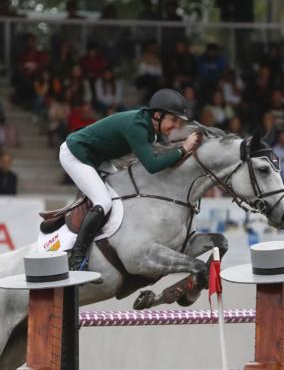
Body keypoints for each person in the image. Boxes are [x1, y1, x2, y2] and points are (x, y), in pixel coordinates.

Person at [60, 88, 201, 270]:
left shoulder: (152, 129)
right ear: (157, 115)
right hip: (76, 154)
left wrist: (184, 148)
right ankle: (77, 260)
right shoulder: (137, 126)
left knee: (121, 192)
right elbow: (153, 165)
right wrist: (184, 148)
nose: (176, 126)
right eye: (173, 120)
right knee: (103, 201)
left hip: (100, 157)